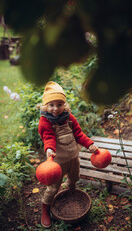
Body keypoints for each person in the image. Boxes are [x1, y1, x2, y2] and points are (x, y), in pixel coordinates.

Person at [38, 81, 98, 228]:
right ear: (45, 106)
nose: (55, 109)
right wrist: (49, 150)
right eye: (51, 105)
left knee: (74, 178)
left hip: (73, 158)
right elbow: (48, 137)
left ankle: (71, 194)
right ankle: (45, 209)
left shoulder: (69, 117)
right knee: (53, 187)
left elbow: (79, 134)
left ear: (64, 104)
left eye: (59, 104)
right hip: (57, 162)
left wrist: (89, 144)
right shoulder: (45, 121)